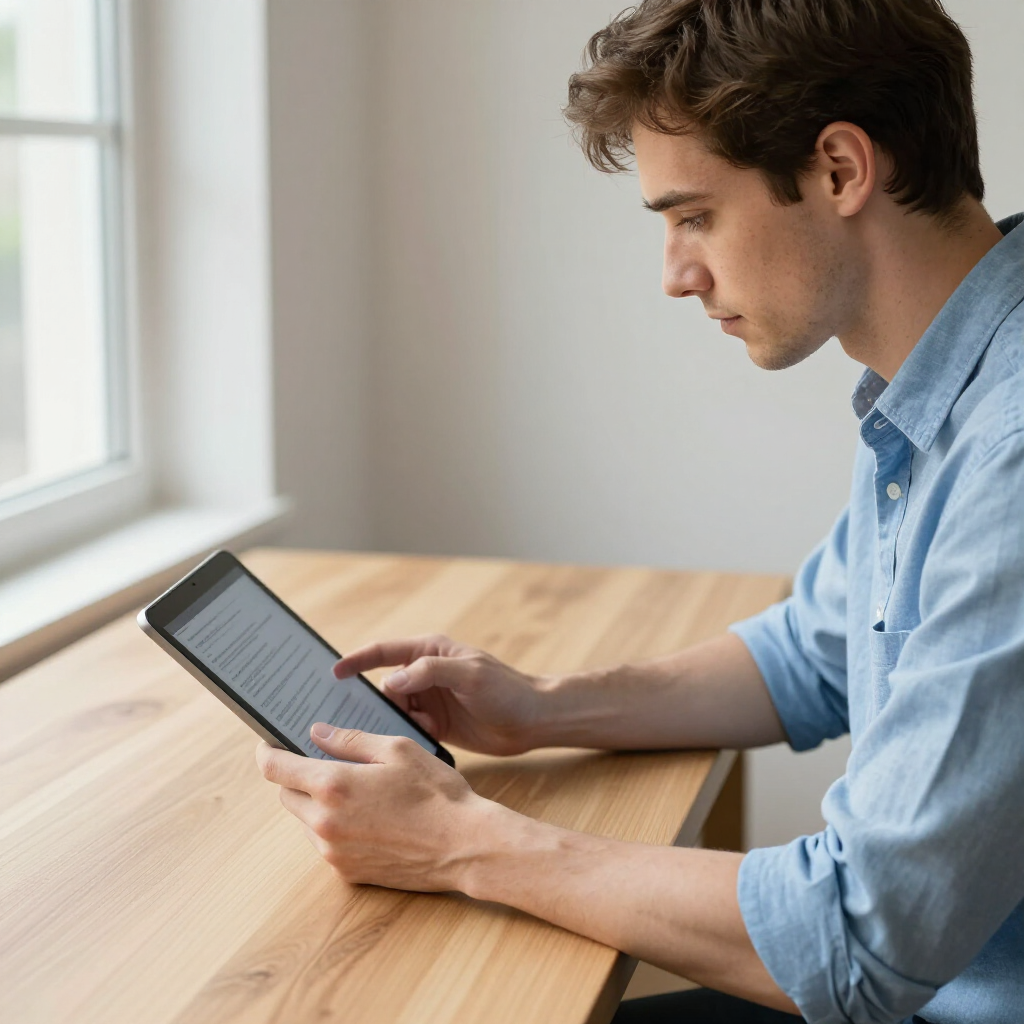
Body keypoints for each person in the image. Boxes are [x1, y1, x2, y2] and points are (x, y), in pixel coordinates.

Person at [256, 1, 1024, 1020]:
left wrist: (460, 841)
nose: (675, 275)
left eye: (693, 214)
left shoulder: (1009, 446)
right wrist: (539, 706)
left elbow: (859, 936)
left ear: (840, 169)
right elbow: (812, 651)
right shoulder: (944, 384)